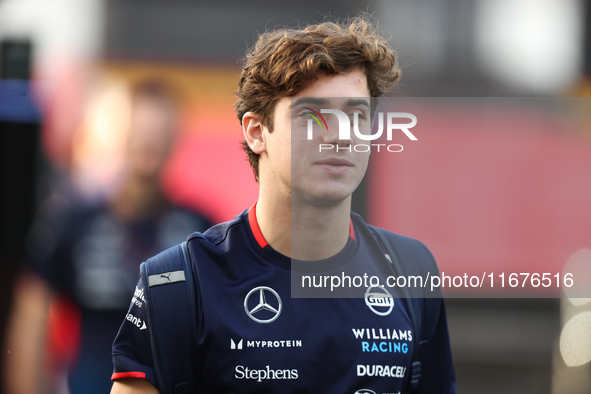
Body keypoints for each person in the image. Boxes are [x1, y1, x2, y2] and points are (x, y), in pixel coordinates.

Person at [111, 16, 457, 394]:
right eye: (313, 115)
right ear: (257, 132)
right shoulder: (177, 283)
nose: (341, 136)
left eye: (357, 116)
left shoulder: (411, 270)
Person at [4, 78, 212, 394]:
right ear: (118, 133)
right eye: (140, 129)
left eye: (159, 131)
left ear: (175, 138)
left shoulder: (200, 231)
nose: (149, 141)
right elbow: (29, 323)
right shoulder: (70, 223)